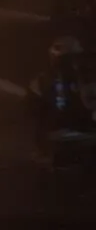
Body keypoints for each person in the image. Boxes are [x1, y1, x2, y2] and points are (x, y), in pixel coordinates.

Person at [27, 36, 96, 165]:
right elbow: (36, 114)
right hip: (60, 138)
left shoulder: (84, 80)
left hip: (77, 135)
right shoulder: (42, 82)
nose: (74, 64)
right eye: (69, 60)